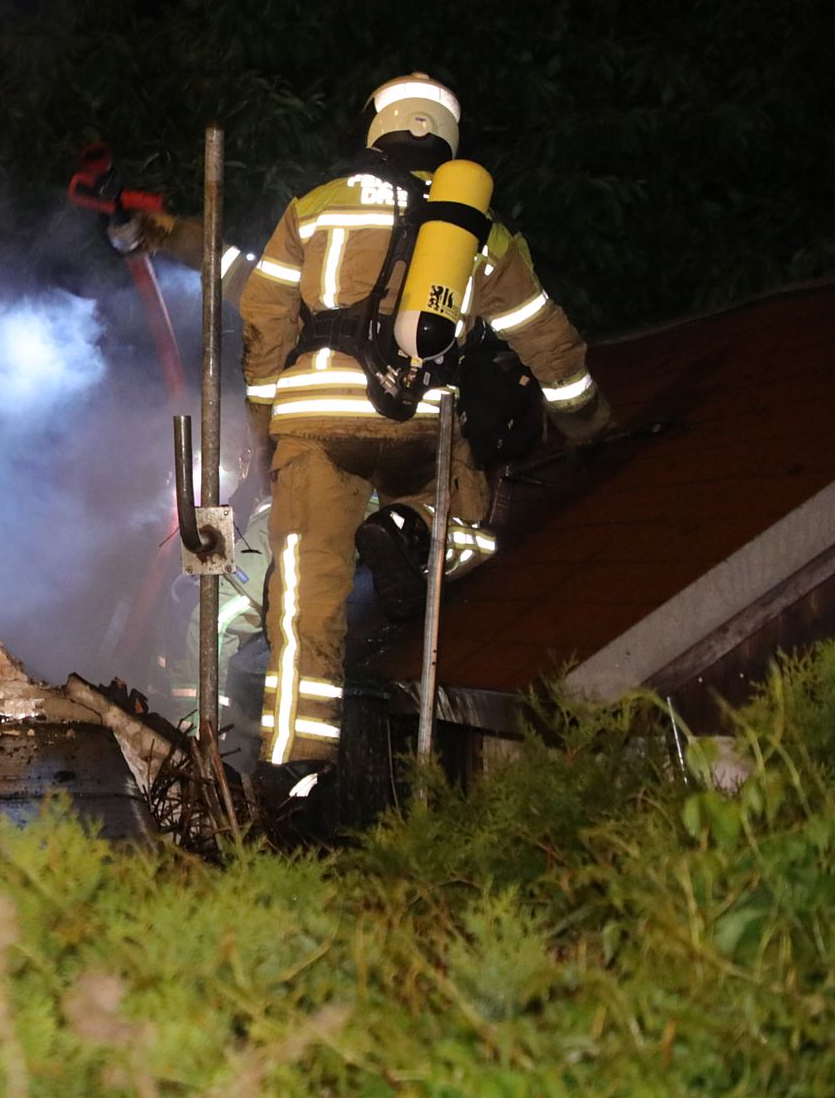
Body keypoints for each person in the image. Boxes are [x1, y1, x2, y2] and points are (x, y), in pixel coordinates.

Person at [236, 72, 611, 794]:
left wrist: (266, 424)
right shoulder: (476, 230)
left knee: (305, 596)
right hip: (420, 419)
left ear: (376, 128)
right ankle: (413, 527)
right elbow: (544, 334)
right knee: (469, 515)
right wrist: (586, 420)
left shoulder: (313, 208)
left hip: (313, 418)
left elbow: (262, 317)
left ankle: (294, 771)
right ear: (448, 139)